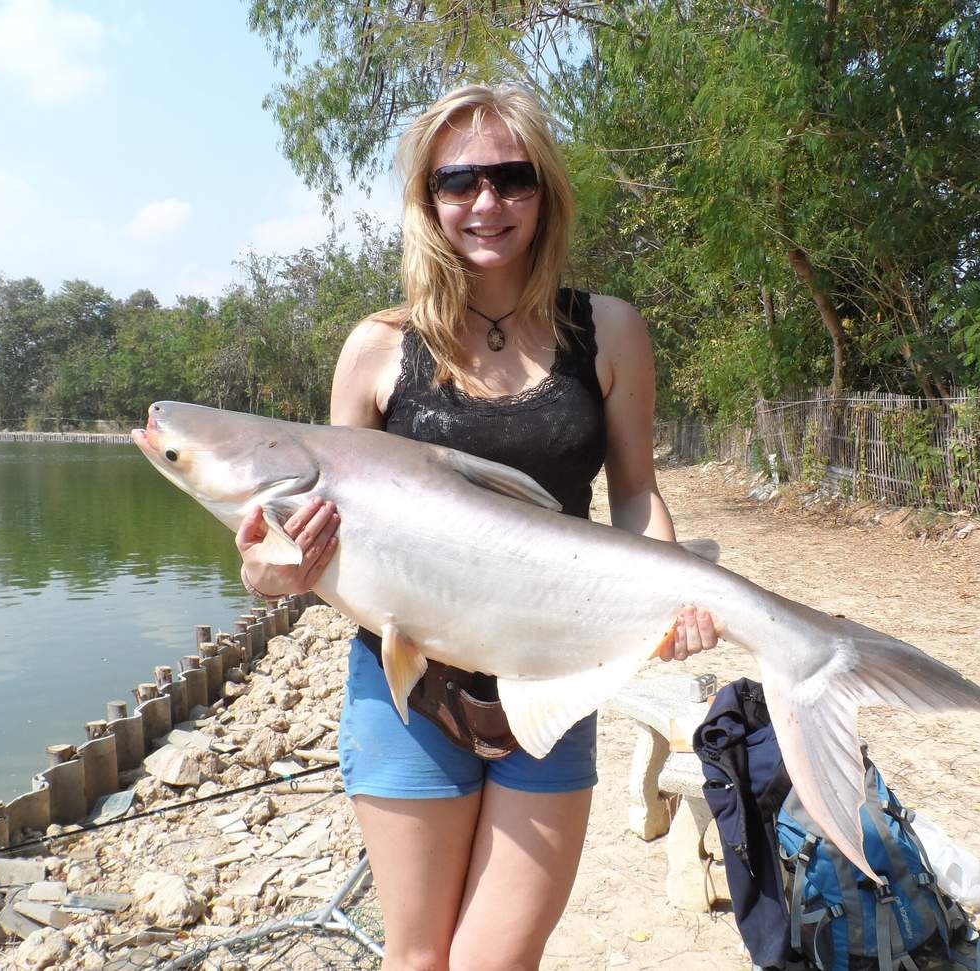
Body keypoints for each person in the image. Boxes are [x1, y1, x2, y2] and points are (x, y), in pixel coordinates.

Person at [235, 83, 718, 971]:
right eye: (458, 182)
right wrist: (274, 569)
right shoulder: (377, 347)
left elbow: (637, 491)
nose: (486, 202)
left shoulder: (608, 331)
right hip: (404, 687)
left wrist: (673, 585)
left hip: (552, 674)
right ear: (427, 201)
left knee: (499, 959)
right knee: (417, 958)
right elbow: (316, 532)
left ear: (546, 191)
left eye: (511, 176)